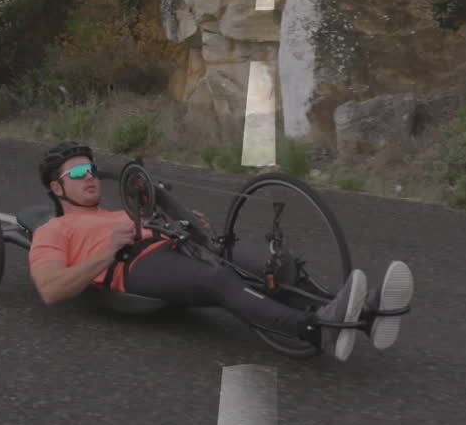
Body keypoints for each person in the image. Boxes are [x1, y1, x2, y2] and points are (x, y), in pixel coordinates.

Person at [27, 141, 414, 362]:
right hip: (133, 264)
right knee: (219, 281)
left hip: (176, 244)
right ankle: (314, 331)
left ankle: (360, 313)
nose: (90, 177)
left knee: (272, 271)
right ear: (57, 189)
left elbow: (163, 219)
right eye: (77, 174)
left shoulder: (117, 212)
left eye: (92, 170)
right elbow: (50, 288)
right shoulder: (53, 230)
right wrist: (107, 251)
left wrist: (186, 223)